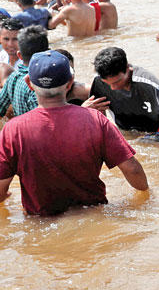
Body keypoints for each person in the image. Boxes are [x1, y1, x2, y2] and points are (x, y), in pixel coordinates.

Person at [0, 50, 148, 216]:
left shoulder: (13, 129)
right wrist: (147, 194)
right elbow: (132, 169)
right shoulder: (95, 120)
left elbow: (1, 188)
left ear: (29, 83)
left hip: (41, 221)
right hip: (93, 215)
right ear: (70, 83)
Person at [87, 46, 159, 139]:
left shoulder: (145, 81)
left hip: (152, 133)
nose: (113, 88)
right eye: (108, 83)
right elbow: (98, 109)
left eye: (117, 82)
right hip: (126, 132)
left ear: (128, 69)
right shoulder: (99, 82)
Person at [0, 25, 48, 118]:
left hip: (22, 128)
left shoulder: (13, 77)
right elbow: (43, 119)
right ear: (48, 53)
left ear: (19, 55)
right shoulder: (42, 82)